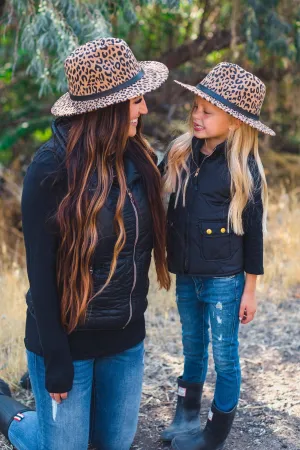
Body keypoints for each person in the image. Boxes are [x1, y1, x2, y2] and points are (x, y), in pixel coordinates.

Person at [0, 37, 170, 450]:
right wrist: (56, 358)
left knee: (113, 444)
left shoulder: (140, 159)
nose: (144, 108)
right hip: (66, 342)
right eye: (135, 101)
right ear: (107, 109)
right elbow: (39, 272)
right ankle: (8, 411)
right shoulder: (49, 170)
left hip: (125, 339)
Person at [160, 62, 275, 450]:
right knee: (192, 346)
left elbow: (255, 235)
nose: (197, 115)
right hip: (187, 274)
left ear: (235, 123)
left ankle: (214, 433)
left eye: (208, 112)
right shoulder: (180, 153)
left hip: (226, 277)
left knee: (225, 355)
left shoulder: (244, 170)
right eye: (195, 107)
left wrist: (250, 289)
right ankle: (186, 416)